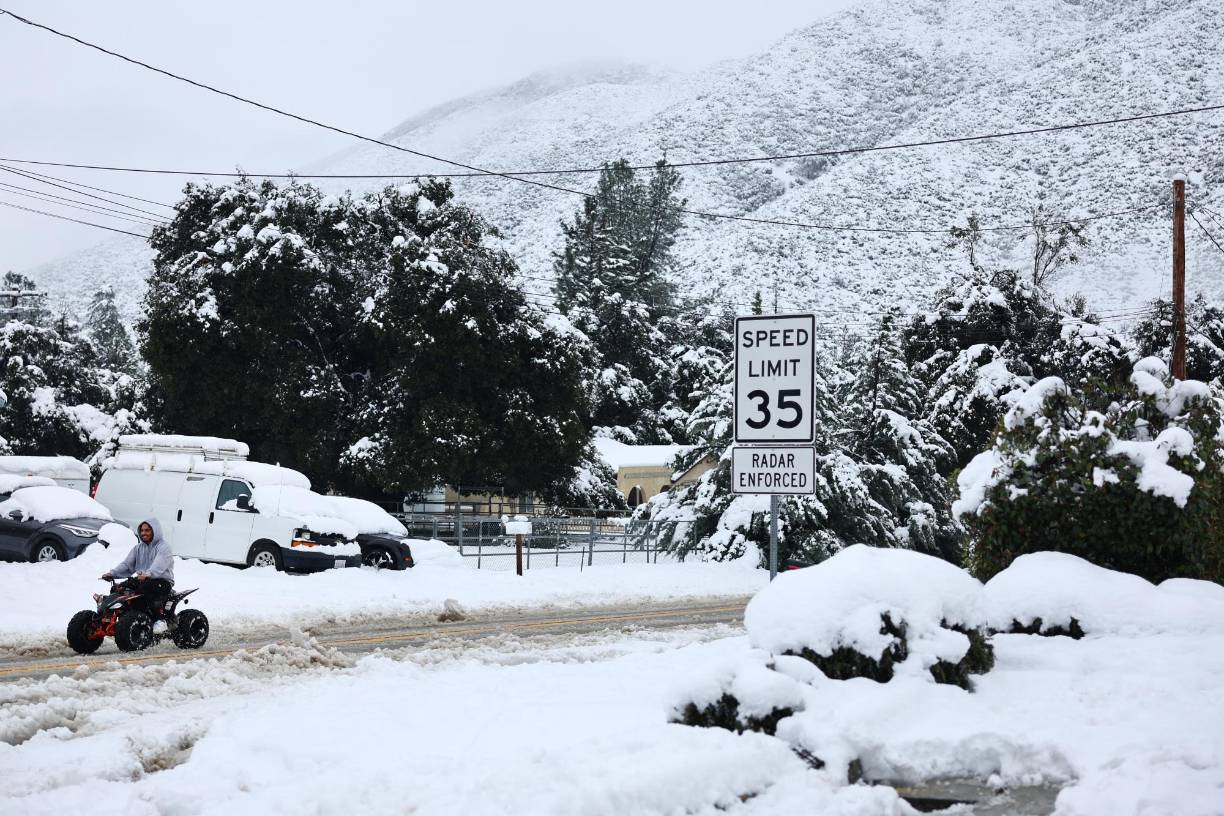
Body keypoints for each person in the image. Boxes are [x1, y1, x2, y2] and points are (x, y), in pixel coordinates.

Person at [102, 518, 175, 624]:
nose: (143, 533)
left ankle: (160, 620)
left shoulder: (164, 547)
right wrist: (112, 573)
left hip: (162, 582)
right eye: (142, 530)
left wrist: (148, 574)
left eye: (147, 530)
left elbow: (158, 566)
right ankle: (119, 619)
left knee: (144, 589)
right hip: (143, 580)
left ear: (155, 531)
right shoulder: (138, 548)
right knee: (117, 589)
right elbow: (127, 565)